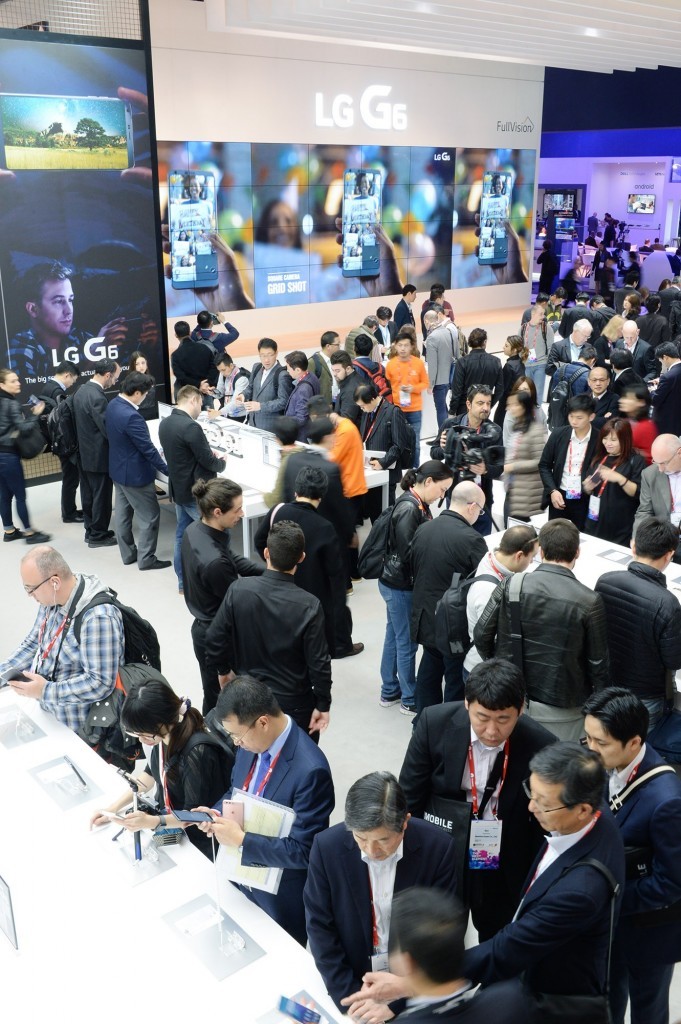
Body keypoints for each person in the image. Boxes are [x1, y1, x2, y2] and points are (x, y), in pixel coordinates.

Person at [461, 742, 625, 1016]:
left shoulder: (580, 892)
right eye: (532, 793)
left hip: (547, 993)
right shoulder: (594, 815)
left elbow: (508, 949)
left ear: (583, 809)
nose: (531, 807)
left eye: (544, 804)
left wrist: (422, 979)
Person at [399, 658, 554, 939]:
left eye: (504, 720)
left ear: (521, 710)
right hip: (446, 843)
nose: (492, 731)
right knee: (439, 935)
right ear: (467, 704)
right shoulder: (433, 724)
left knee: (497, 932)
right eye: (482, 718)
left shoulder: (541, 745)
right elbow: (410, 796)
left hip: (502, 852)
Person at [303, 772, 458, 1013]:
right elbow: (319, 925)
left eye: (383, 840)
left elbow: (443, 932)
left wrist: (397, 1002)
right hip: (352, 974)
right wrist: (351, 999)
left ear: (404, 823)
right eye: (361, 838)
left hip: (412, 980)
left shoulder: (438, 848)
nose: (372, 850)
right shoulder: (326, 848)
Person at [197, 676, 334, 946]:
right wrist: (215, 813)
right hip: (238, 875)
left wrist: (241, 840)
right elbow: (236, 792)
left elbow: (304, 851)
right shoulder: (251, 744)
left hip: (278, 895)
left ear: (262, 722)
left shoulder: (310, 770)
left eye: (238, 735)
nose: (236, 743)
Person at [582, 688, 681, 1024]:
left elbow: (671, 883)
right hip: (611, 926)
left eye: (601, 742)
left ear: (635, 743)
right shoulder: (605, 766)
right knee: (607, 1001)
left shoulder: (666, 801)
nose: (591, 749)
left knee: (648, 1011)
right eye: (588, 738)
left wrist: (609, 899)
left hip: (647, 932)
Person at [474, 519, 610, 740]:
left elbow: (481, 635)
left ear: (542, 550)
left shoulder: (511, 584)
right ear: (577, 552)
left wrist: (499, 668)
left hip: (512, 696)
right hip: (565, 707)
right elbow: (599, 665)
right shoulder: (590, 601)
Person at [204, 521, 333, 740]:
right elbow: (319, 662)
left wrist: (224, 671)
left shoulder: (239, 590)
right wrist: (322, 703)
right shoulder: (309, 606)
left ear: (266, 553)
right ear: (301, 557)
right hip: (293, 704)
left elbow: (214, 639)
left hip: (247, 697)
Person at [90, 676, 233, 858]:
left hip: (202, 840)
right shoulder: (165, 735)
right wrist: (112, 809)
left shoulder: (197, 752)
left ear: (160, 723)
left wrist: (151, 821)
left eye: (143, 733)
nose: (141, 740)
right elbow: (149, 776)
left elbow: (191, 817)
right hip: (172, 822)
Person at [0, 546, 123, 731]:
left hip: (79, 727)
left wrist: (45, 691)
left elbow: (99, 683)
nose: (30, 596)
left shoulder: (98, 617)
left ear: (55, 582)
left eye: (31, 589)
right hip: (49, 710)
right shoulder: (53, 597)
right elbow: (34, 642)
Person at [255, 466, 362, 659]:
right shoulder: (324, 527)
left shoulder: (277, 511)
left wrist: (275, 561)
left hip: (278, 586)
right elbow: (335, 574)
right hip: (312, 595)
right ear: (321, 495)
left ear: (296, 491)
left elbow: (259, 540)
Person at [377, 462, 455, 716]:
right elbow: (409, 551)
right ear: (429, 481)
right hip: (401, 585)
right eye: (442, 490)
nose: (442, 496)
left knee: (394, 635)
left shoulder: (414, 503)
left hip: (394, 582)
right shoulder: (411, 508)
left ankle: (390, 689)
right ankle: (409, 697)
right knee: (406, 642)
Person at [181, 478, 263, 714]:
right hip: (218, 638)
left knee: (213, 694)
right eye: (237, 509)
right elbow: (237, 602)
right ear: (218, 512)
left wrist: (267, 570)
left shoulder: (195, 530)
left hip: (204, 629)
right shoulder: (215, 564)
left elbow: (231, 558)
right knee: (223, 701)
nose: (242, 513)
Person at [594, 518, 681, 729]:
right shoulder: (667, 603)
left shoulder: (605, 580)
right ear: (669, 554)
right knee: (639, 753)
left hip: (607, 683)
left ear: (633, 545)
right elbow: (674, 661)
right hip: (646, 695)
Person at [411, 482, 488, 712]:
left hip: (423, 616)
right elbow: (481, 584)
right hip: (452, 624)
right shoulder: (472, 540)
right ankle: (448, 723)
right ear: (472, 507)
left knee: (428, 670)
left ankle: (423, 718)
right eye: (481, 510)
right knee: (454, 679)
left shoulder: (424, 528)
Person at [8, 260, 125, 385]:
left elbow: (122, 375)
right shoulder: (21, 347)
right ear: (33, 309)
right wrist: (92, 355)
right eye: (59, 301)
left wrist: (145, 346)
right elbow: (37, 395)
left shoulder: (80, 337)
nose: (69, 311)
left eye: (70, 300)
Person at [158, 384, 226, 594]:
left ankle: (182, 583)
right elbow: (207, 460)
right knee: (212, 535)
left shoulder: (166, 423)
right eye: (200, 403)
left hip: (179, 489)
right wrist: (221, 463)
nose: (201, 409)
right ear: (194, 400)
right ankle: (214, 581)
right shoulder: (191, 427)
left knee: (182, 535)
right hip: (195, 492)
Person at [105, 371, 170, 571]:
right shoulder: (132, 416)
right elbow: (148, 450)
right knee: (149, 515)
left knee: (123, 516)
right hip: (135, 475)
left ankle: (128, 554)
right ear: (136, 393)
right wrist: (167, 469)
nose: (146, 397)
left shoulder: (113, 404)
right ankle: (147, 558)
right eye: (145, 393)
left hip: (118, 470)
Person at [463, 526, 538, 678]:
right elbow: (489, 639)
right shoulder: (488, 591)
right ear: (519, 556)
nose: (531, 563)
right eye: (531, 557)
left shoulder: (491, 558)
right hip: (484, 672)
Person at [432, 384, 504, 536]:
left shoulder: (494, 431)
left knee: (480, 545)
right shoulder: (450, 425)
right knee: (453, 542)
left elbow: (499, 467)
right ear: (468, 404)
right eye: (480, 403)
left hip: (481, 500)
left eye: (488, 403)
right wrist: (444, 448)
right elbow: (434, 453)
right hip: (454, 497)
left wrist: (485, 469)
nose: (486, 408)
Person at [282, 416, 356, 551]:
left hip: (298, 535)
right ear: (327, 437)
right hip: (326, 539)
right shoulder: (331, 469)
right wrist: (350, 534)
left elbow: (285, 496)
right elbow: (340, 507)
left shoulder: (292, 459)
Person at [72, 357, 120, 548]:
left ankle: (91, 530)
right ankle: (98, 535)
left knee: (88, 494)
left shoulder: (81, 390)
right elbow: (107, 429)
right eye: (115, 377)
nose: (115, 381)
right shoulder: (97, 397)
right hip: (99, 455)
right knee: (101, 496)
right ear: (107, 375)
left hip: (84, 453)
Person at [0, 369, 51, 544]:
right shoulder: (11, 403)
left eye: (17, 379)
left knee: (4, 495)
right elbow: (24, 429)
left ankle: (9, 530)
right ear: (2, 385)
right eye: (13, 381)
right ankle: (29, 533)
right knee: (20, 496)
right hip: (8, 456)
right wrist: (36, 414)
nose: (18, 383)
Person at [538, 394, 600, 530]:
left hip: (584, 498)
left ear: (591, 417)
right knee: (555, 534)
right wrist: (552, 490)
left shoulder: (600, 439)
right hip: (559, 495)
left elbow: (603, 467)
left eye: (579, 418)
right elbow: (544, 465)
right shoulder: (558, 434)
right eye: (571, 416)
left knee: (582, 537)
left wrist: (593, 482)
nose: (574, 422)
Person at [582, 418, 645, 546]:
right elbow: (590, 488)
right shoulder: (600, 458)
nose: (607, 443)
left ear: (625, 439)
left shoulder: (635, 461)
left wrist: (619, 478)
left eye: (613, 440)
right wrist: (587, 487)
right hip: (594, 520)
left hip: (620, 526)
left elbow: (639, 492)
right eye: (605, 438)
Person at [355, 380, 411, 512]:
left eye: (363, 406)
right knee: (373, 509)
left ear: (373, 398)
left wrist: (383, 462)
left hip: (387, 470)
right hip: (370, 468)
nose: (361, 409)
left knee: (385, 511)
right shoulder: (367, 412)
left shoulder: (393, 412)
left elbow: (399, 445)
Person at [37, 361, 82, 522]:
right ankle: (69, 513)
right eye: (73, 380)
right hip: (64, 443)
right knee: (71, 478)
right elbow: (64, 421)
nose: (72, 383)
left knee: (68, 478)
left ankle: (69, 511)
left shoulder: (47, 387)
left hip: (56, 441)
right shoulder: (57, 392)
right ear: (67, 375)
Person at [634, 433, 681, 563]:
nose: (660, 469)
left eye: (664, 463)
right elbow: (644, 511)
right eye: (656, 462)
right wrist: (638, 540)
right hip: (664, 542)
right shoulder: (650, 474)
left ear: (679, 453)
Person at [385, 335, 429, 467]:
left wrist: (413, 389)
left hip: (415, 409)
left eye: (406, 345)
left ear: (411, 347)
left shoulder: (418, 363)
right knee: (397, 443)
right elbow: (388, 385)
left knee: (415, 444)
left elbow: (425, 383)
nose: (403, 348)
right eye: (400, 345)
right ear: (395, 346)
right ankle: (401, 469)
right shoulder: (391, 365)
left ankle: (415, 470)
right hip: (397, 410)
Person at [503, 390, 545, 524]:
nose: (510, 408)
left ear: (524, 406)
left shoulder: (536, 430)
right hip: (514, 488)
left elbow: (539, 461)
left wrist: (513, 466)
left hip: (528, 491)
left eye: (514, 404)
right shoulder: (517, 428)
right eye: (509, 405)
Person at [235, 337, 293, 431]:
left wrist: (260, 406)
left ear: (276, 353)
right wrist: (243, 395)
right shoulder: (256, 367)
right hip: (253, 424)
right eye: (263, 355)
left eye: (270, 355)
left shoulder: (282, 375)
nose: (266, 360)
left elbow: (283, 402)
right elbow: (251, 388)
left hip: (271, 428)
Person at [449, 329, 503, 416]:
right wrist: (488, 404)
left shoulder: (462, 362)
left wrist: (452, 411)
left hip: (465, 408)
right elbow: (500, 390)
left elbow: (457, 391)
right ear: (484, 342)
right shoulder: (495, 361)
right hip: (483, 410)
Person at [424, 308, 458, 432]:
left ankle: (443, 435)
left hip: (438, 380)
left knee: (441, 409)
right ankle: (447, 433)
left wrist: (430, 384)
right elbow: (456, 352)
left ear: (427, 321)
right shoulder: (448, 331)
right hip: (449, 376)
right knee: (444, 407)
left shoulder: (432, 338)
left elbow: (432, 364)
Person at [262, 416, 301, 508]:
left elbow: (276, 500)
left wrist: (264, 496)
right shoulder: (304, 453)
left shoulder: (287, 460)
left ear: (277, 438)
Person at [170, 320, 215, 399]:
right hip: (206, 391)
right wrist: (207, 383)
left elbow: (181, 377)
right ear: (190, 333)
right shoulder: (205, 348)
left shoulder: (175, 355)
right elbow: (214, 367)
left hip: (187, 395)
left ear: (176, 335)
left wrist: (198, 385)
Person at [283, 350, 321, 441]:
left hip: (301, 436)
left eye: (288, 368)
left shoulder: (303, 389)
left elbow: (301, 418)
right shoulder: (311, 375)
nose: (287, 371)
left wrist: (284, 422)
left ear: (298, 370)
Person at [502, 376, 547, 448]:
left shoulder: (538, 411)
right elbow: (507, 440)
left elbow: (544, 436)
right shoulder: (511, 412)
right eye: (518, 390)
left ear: (532, 392)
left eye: (525, 390)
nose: (521, 393)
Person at [493, 335, 528, 427]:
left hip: (506, 404)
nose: (503, 347)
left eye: (506, 346)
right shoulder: (520, 363)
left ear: (515, 350)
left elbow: (503, 388)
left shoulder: (509, 366)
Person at [618, 382, 657, 464]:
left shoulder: (645, 427)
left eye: (627, 398)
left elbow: (650, 458)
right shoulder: (627, 421)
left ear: (641, 402)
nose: (621, 401)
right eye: (623, 397)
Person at [546, 318, 593, 383]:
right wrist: (570, 370)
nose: (586, 339)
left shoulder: (588, 347)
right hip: (563, 386)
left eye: (588, 337)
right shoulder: (558, 346)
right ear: (575, 331)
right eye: (584, 336)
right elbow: (549, 369)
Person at [651, 341, 681, 436]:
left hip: (667, 421)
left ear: (665, 357)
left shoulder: (667, 377)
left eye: (660, 360)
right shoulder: (669, 376)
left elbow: (655, 400)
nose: (661, 363)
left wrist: (653, 390)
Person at [211, 350, 250, 418]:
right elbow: (220, 395)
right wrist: (212, 392)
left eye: (223, 370)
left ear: (231, 365)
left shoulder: (242, 379)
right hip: (227, 413)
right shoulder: (222, 373)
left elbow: (236, 402)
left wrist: (219, 412)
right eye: (219, 370)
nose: (222, 373)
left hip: (240, 415)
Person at [329, 350, 362, 427]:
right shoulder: (354, 378)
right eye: (333, 370)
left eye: (337, 371)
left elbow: (346, 421)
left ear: (348, 369)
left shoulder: (350, 391)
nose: (334, 374)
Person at [308, 331, 341, 404]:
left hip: (337, 403)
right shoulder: (313, 362)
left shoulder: (337, 359)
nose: (340, 347)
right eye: (337, 345)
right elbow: (309, 388)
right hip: (323, 407)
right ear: (328, 346)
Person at [127, 351, 158, 421]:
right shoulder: (128, 383)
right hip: (136, 415)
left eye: (143, 363)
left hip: (152, 414)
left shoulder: (151, 379)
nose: (141, 366)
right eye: (137, 364)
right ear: (133, 366)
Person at [588, 364, 621, 429]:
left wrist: (585, 419)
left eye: (602, 380)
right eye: (594, 380)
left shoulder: (615, 399)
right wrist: (602, 418)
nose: (598, 384)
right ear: (589, 382)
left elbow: (609, 423)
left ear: (608, 381)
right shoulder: (582, 398)